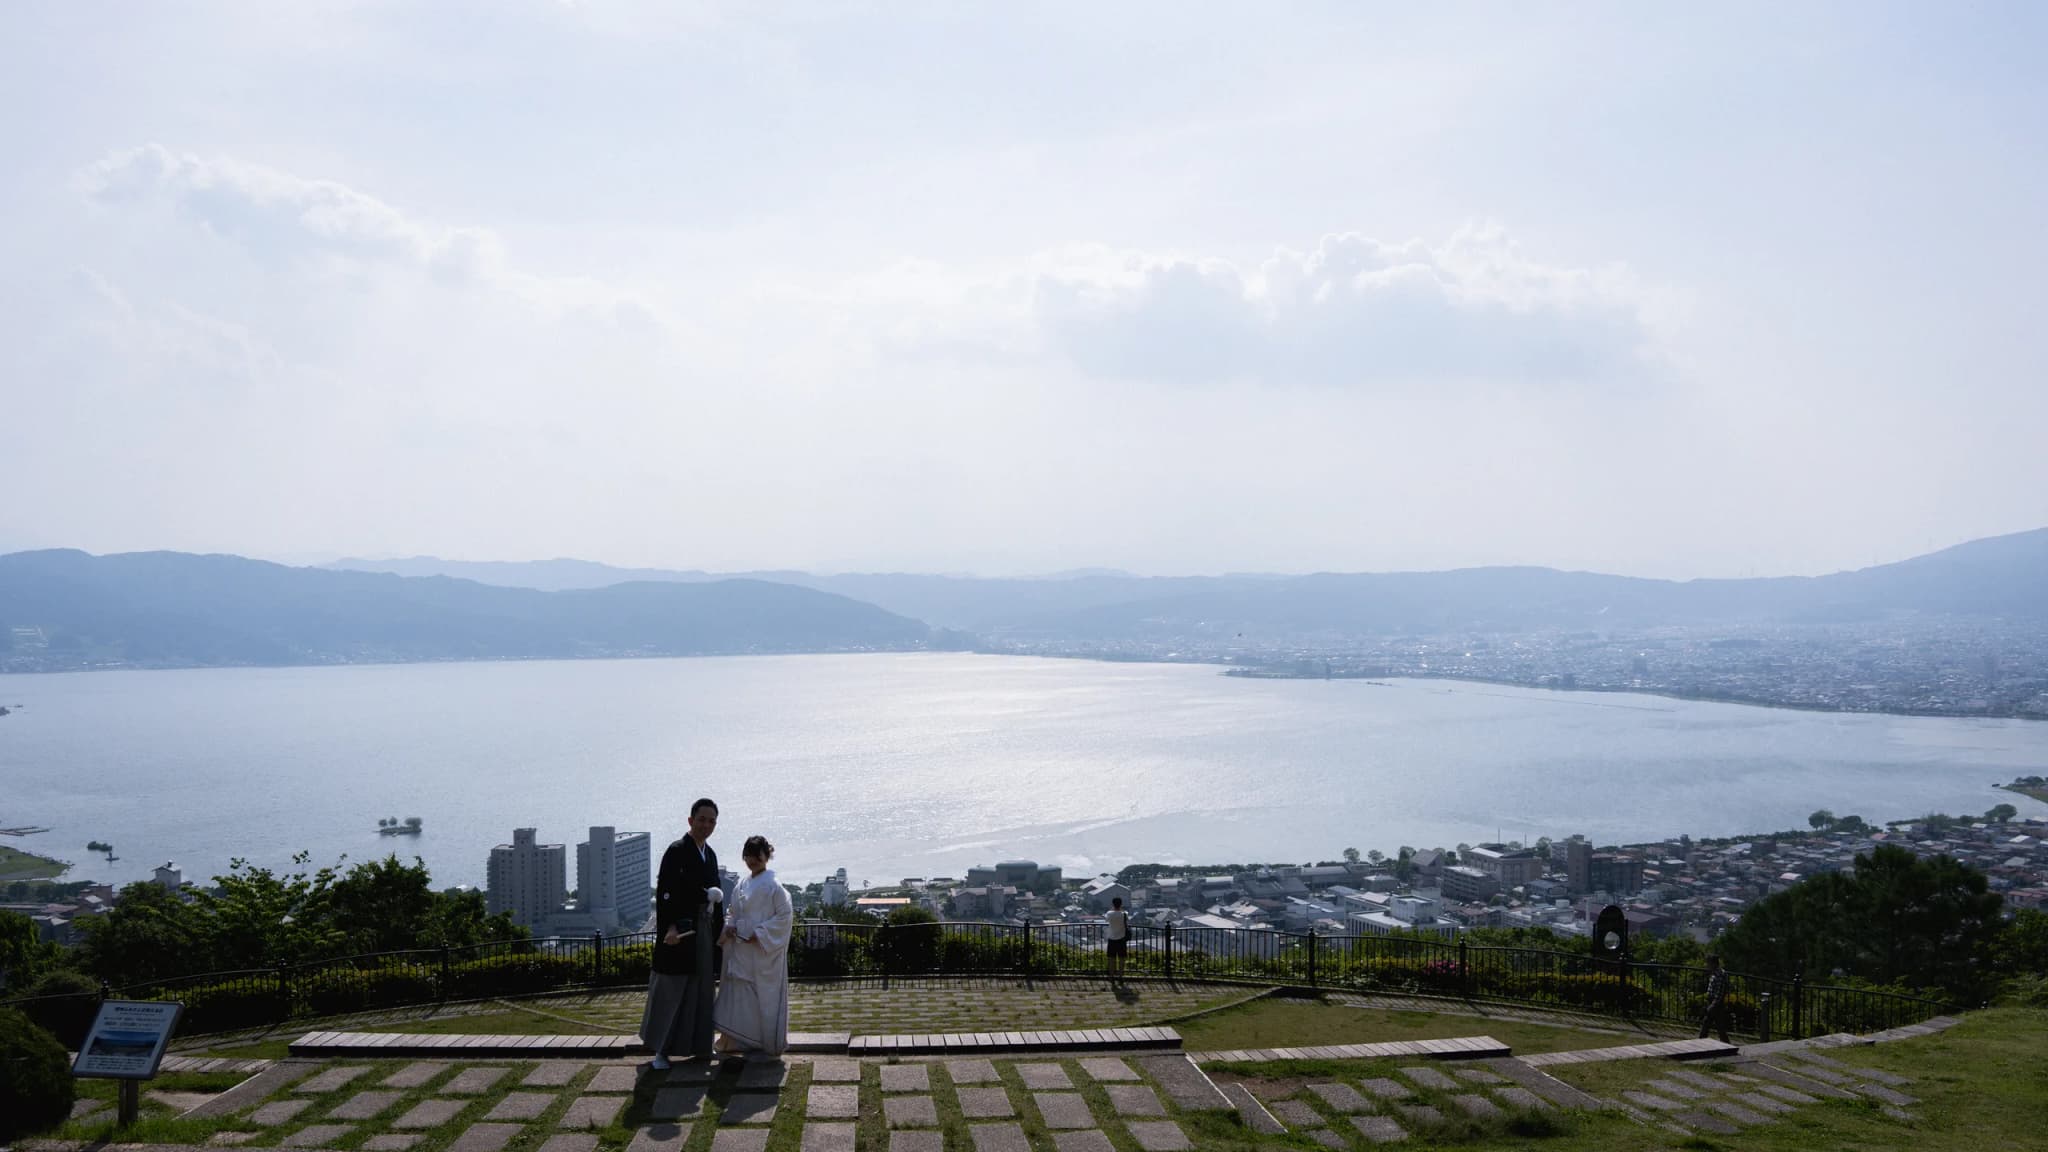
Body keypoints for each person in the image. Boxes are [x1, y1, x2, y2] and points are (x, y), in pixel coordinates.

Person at [642, 798, 724, 1069]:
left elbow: (717, 897)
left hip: (704, 929)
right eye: (702, 819)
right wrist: (671, 927)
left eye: (711, 821)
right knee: (672, 990)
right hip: (680, 930)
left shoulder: (709, 854)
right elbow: (666, 894)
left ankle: (701, 1047)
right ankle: (661, 1052)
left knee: (701, 990)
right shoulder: (676, 851)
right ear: (690, 821)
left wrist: (720, 934)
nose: (706, 825)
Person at [713, 835, 795, 1057]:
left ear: (766, 856)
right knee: (740, 994)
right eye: (748, 856)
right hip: (741, 948)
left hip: (761, 951)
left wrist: (759, 934)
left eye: (756, 856)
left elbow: (785, 917)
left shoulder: (775, 887)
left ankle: (761, 1040)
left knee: (761, 996)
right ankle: (736, 1040)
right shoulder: (742, 883)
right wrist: (729, 925)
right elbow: (732, 910)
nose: (751, 861)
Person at [1698, 953, 1732, 1042]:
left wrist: (1712, 1006)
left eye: (1708, 963)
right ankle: (1725, 1044)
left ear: (1713, 964)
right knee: (1716, 1025)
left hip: (1716, 1003)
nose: (1706, 965)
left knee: (1711, 1024)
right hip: (1713, 1002)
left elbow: (1719, 993)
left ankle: (1701, 1042)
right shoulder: (1715, 973)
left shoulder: (1720, 975)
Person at [1104, 896, 1129, 980]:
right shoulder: (1125, 914)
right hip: (1122, 939)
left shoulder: (1109, 913)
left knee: (1111, 958)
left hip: (1111, 939)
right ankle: (1120, 976)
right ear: (1121, 904)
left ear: (1113, 904)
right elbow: (1127, 923)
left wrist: (1111, 909)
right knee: (1122, 958)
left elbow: (1106, 920)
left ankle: (1111, 976)